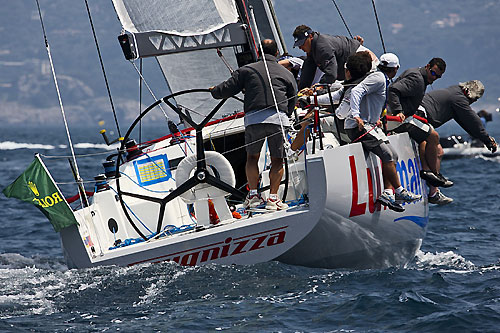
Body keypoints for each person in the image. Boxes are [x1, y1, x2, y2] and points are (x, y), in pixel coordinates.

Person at [210, 39, 297, 211]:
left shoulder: (246, 70)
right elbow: (292, 99)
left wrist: (214, 91)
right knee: (277, 160)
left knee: (252, 158)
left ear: (258, 52)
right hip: (277, 120)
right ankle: (273, 199)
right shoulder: (286, 73)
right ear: (277, 53)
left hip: (253, 121)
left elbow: (225, 89)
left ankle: (254, 196)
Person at [416, 80, 497, 204]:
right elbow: (472, 120)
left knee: (438, 150)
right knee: (433, 143)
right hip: (419, 117)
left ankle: (433, 189)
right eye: (474, 99)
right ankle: (430, 177)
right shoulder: (458, 97)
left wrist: (484, 139)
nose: (473, 102)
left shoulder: (456, 94)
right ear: (468, 92)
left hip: (422, 119)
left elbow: (466, 123)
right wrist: (487, 140)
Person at [386, 58, 451, 191]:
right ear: (427, 66)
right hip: (398, 120)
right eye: (433, 74)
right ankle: (434, 175)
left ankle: (427, 171)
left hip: (406, 118)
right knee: (433, 136)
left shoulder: (419, 75)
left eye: (438, 77)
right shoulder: (417, 79)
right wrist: (398, 111)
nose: (434, 78)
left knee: (426, 137)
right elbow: (393, 90)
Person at [292, 25, 377, 90]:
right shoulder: (312, 49)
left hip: (365, 61)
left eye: (302, 43)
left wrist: (318, 88)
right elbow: (308, 70)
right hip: (351, 66)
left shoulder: (322, 47)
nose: (300, 47)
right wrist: (301, 92)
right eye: (298, 45)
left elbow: (331, 74)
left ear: (310, 36)